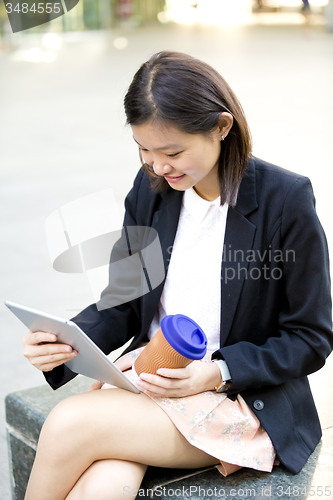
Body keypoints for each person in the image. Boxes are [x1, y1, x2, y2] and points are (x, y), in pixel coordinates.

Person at [22, 51, 332, 500]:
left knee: (70, 421)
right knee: (106, 481)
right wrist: (67, 340)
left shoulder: (285, 199)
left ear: (222, 127)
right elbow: (126, 301)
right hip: (152, 377)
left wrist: (217, 372)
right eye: (143, 149)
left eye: (172, 151)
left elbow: (310, 336)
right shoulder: (151, 190)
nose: (157, 166)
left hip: (236, 398)